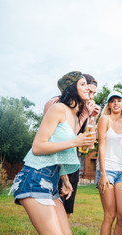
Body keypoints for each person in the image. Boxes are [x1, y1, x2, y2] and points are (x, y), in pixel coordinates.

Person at [10, 71, 96, 235]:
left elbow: (59, 152)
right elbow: (38, 147)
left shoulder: (73, 115)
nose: (88, 88)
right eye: (83, 84)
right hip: (35, 177)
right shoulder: (58, 108)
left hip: (51, 181)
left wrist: (64, 180)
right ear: (71, 89)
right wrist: (75, 142)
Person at [43, 73, 100, 218]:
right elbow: (57, 138)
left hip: (71, 163)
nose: (91, 96)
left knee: (65, 212)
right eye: (89, 90)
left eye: (94, 93)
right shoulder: (56, 103)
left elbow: (89, 144)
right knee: (51, 215)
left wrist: (92, 117)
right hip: (54, 163)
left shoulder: (81, 109)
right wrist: (85, 114)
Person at [96, 90, 122, 235]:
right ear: (109, 105)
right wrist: (103, 174)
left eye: (119, 100)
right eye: (112, 101)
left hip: (121, 171)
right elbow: (102, 146)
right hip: (107, 170)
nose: (116, 103)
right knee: (110, 215)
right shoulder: (104, 119)